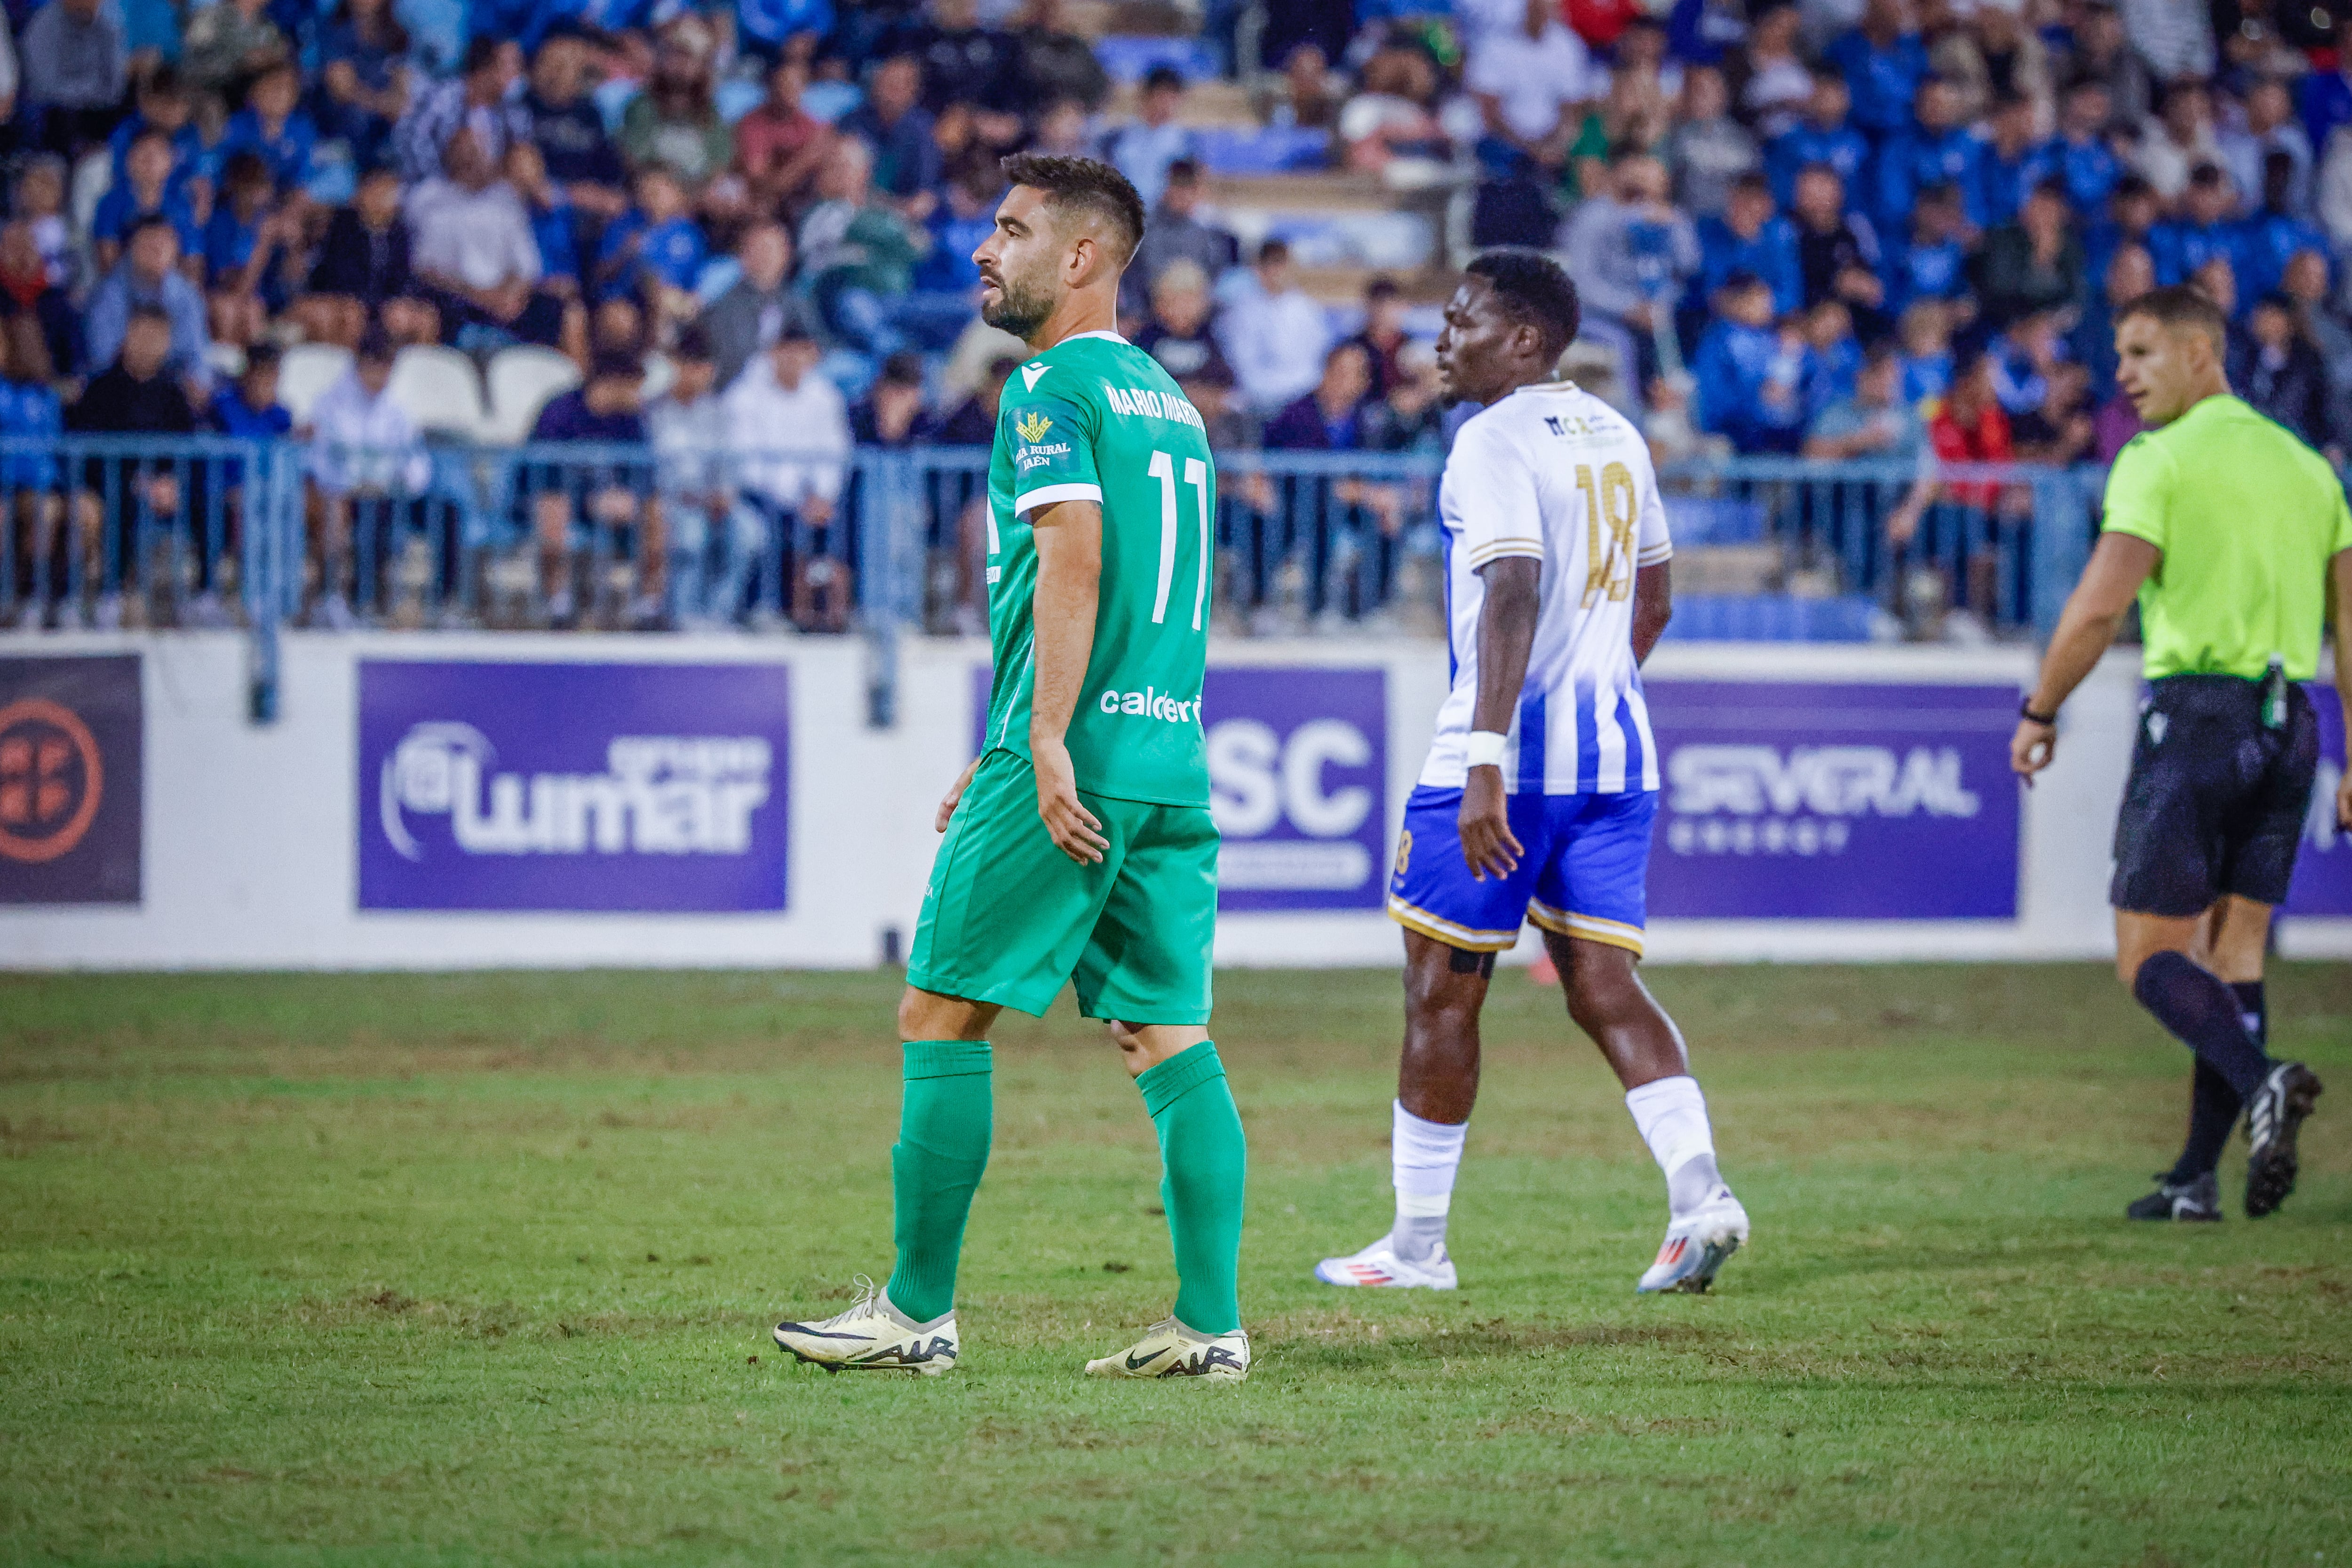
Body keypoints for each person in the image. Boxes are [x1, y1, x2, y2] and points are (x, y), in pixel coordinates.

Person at [769, 153, 1249, 1383]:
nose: (985, 250)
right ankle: (1210, 1325)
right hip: (1168, 753)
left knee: (940, 1007)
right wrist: (1010, 735)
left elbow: (1076, 556)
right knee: (1167, 1034)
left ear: (1079, 257)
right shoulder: (1168, 397)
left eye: (1011, 229)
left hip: (1077, 754)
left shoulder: (1047, 384)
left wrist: (1037, 739)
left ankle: (914, 1309)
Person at [1313, 248, 1747, 1296]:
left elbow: (1511, 588)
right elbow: (1654, 603)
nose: (1439, 339)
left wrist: (1487, 761)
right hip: (1615, 758)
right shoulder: (1620, 433)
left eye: (1461, 321)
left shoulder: (1489, 439)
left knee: (1440, 991)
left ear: (1523, 340)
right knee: (1604, 984)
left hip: (1502, 766)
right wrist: (1595, 692)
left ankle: (1417, 1246)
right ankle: (1702, 1195)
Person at [2014, 285, 2347, 1223]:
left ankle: (2263, 1078)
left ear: (2202, 354)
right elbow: (2350, 622)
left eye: (2140, 353)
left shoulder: (2155, 460)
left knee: (2147, 956)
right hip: (2293, 725)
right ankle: (2195, 1178)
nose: (2122, 373)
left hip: (2200, 718)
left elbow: (2097, 606)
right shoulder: (2305, 466)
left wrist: (2040, 707)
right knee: (2233, 950)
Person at [530, 353, 659, 628]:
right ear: (612, 383)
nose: (640, 397)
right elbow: (543, 479)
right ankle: (558, 605)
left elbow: (645, 476)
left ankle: (649, 606)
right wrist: (589, 502)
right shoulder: (559, 414)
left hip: (613, 509)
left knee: (655, 511)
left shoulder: (632, 421)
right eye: (635, 388)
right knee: (555, 507)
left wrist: (631, 500)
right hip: (557, 501)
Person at [697, 222, 823, 390]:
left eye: (774, 250)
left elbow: (817, 342)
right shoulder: (726, 305)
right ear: (744, 256)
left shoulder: (793, 299)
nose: (768, 257)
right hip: (739, 392)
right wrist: (779, 360)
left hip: (790, 389)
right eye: (761, 249)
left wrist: (802, 357)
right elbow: (734, 359)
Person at [1216, 238, 1332, 414]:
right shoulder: (1241, 311)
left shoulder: (1308, 310)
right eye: (1270, 265)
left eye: (1281, 265)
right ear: (1259, 268)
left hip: (1302, 398)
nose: (1276, 272)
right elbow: (1241, 366)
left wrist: (1296, 394)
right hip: (1255, 400)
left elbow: (1317, 362)